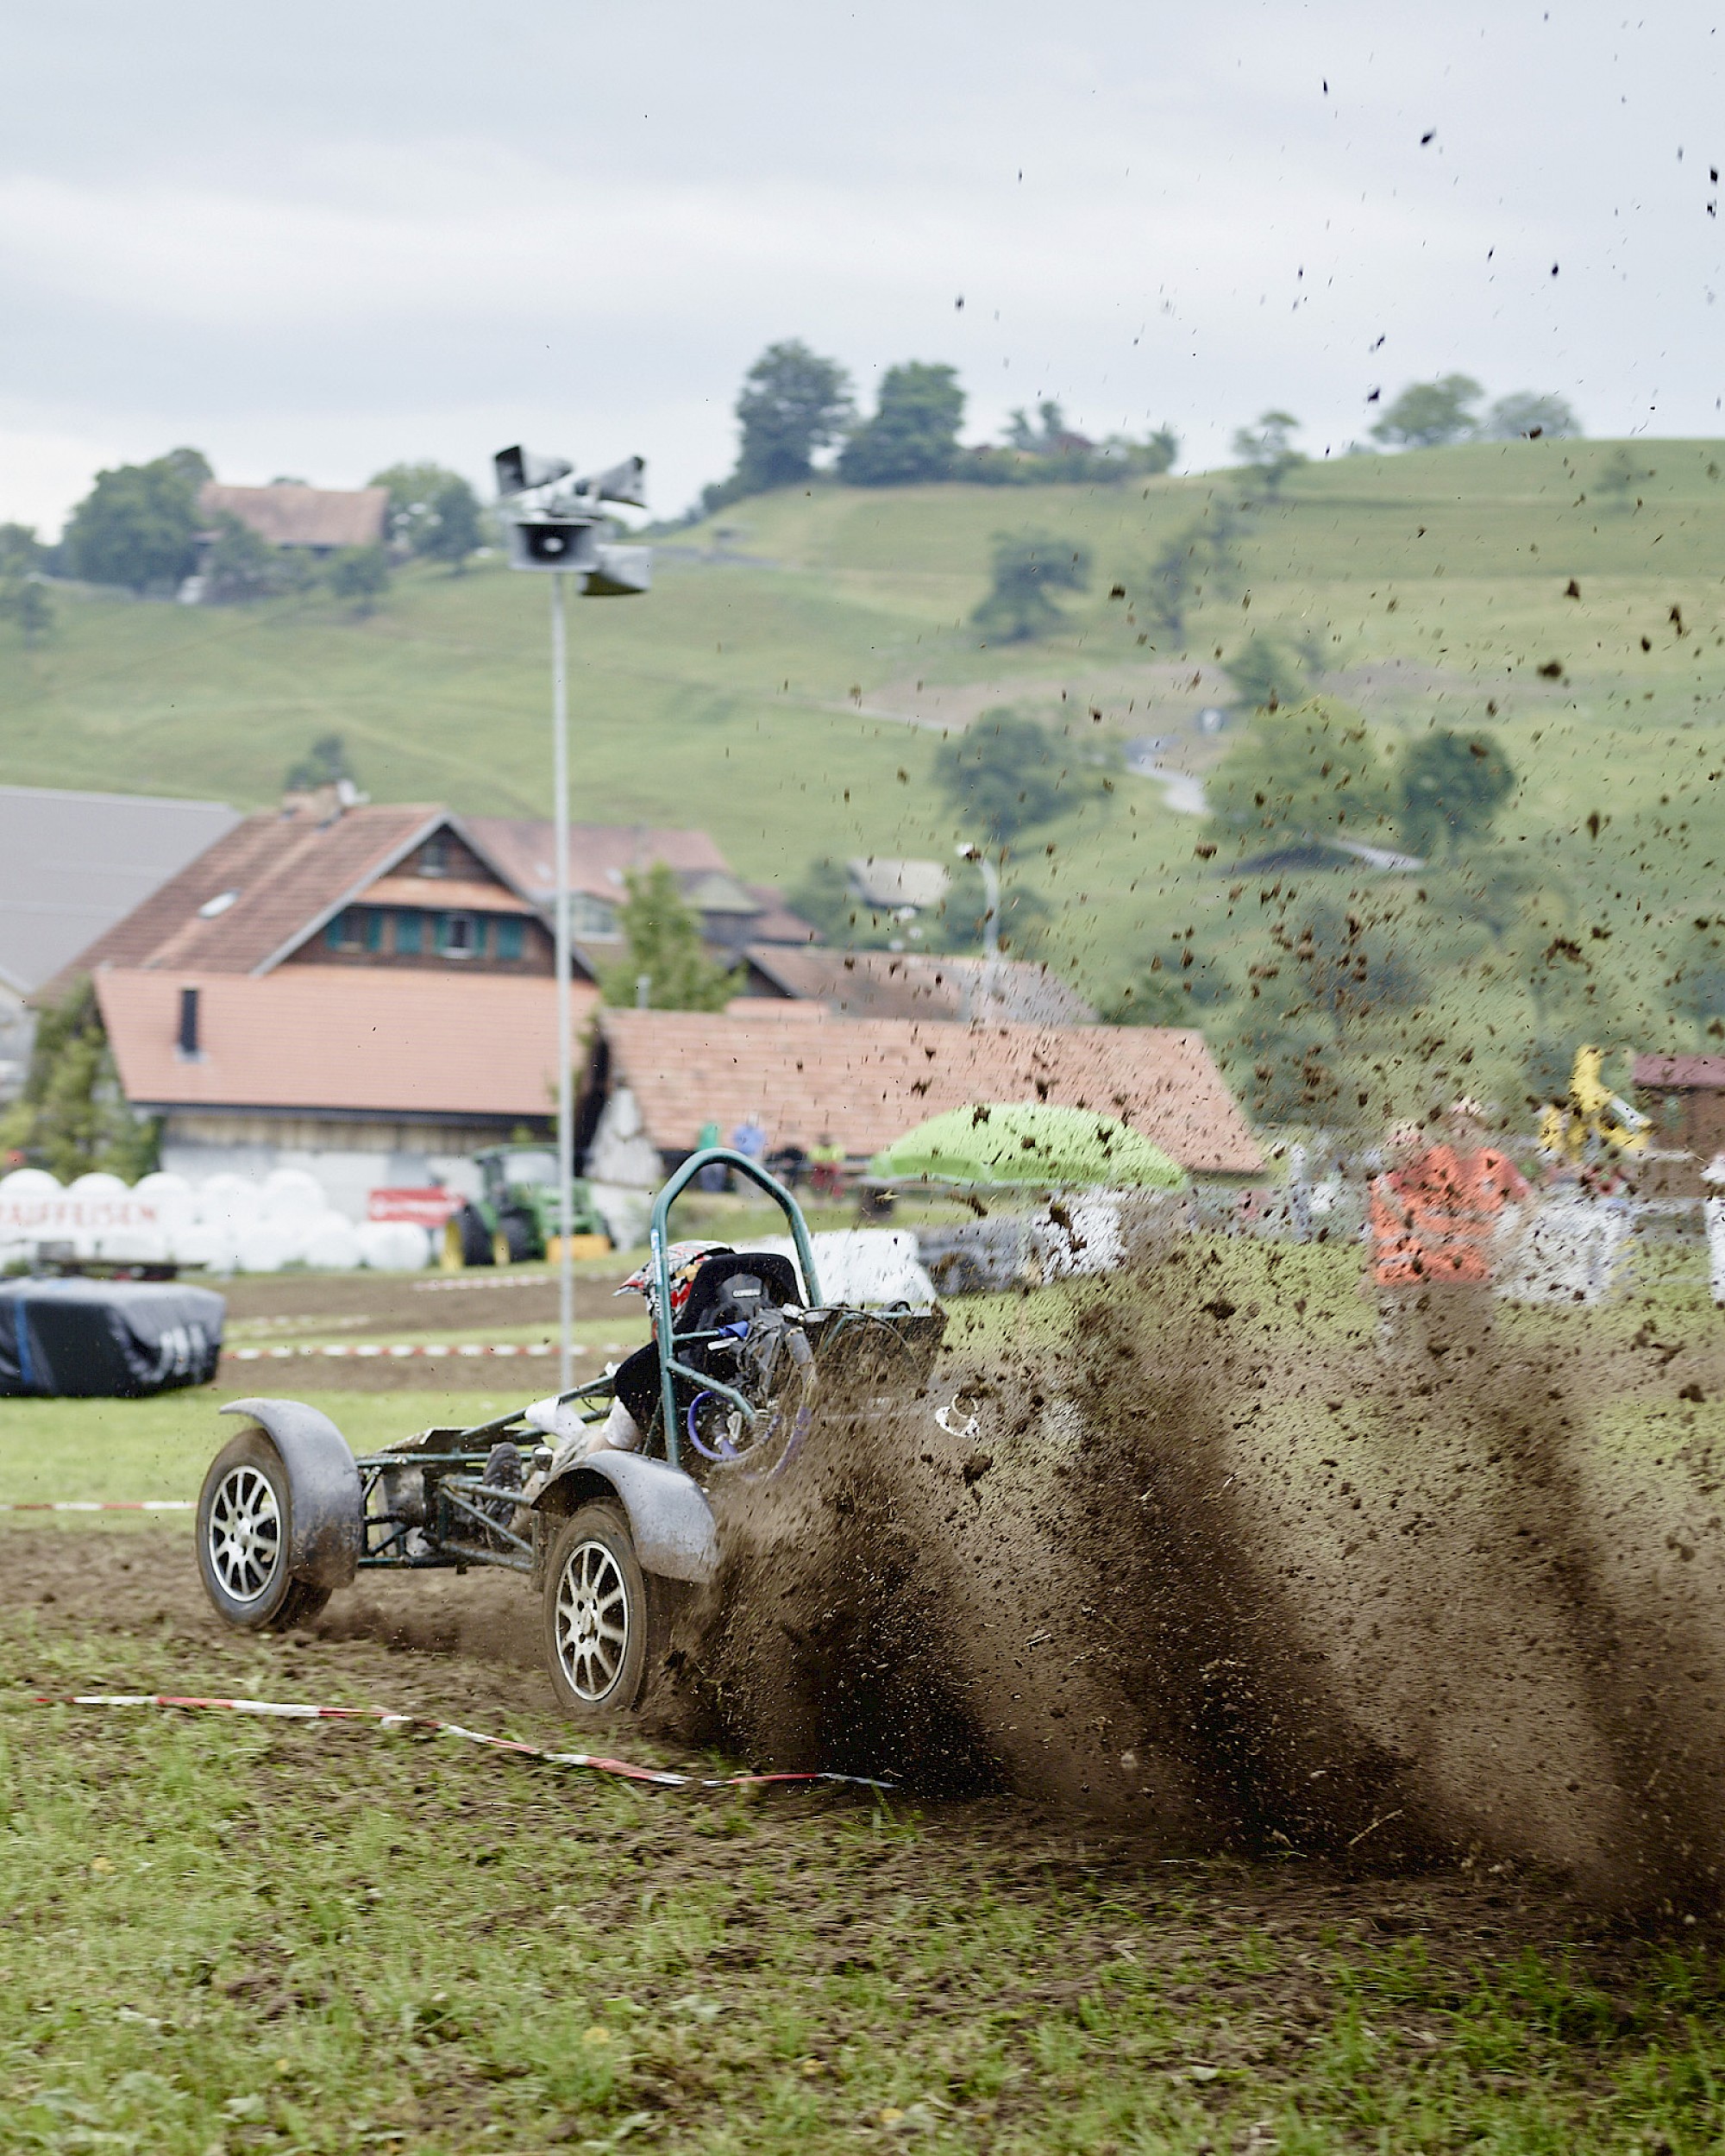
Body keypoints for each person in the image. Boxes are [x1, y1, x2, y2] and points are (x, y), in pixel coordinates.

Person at [1367, 1102, 1529, 1367]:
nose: (1461, 1131)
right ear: (1447, 1130)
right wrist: (1417, 1229)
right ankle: (1421, 1402)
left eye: (1468, 1126)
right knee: (1430, 1351)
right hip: (1435, 1275)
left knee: (1482, 1350)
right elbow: (1384, 1187)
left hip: (1477, 1274)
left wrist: (1508, 1241)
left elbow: (1530, 1205)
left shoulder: (1497, 1164)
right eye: (1454, 1126)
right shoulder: (1434, 1160)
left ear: (1481, 1129)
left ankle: (1485, 1401)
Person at [809, 1131, 845, 1200]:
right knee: (818, 1178)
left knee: (836, 1176)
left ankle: (836, 1196)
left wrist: (828, 1164)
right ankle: (819, 1196)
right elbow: (814, 1159)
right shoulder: (817, 1147)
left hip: (832, 1168)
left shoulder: (836, 1147)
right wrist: (824, 1164)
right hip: (820, 1168)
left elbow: (838, 1158)